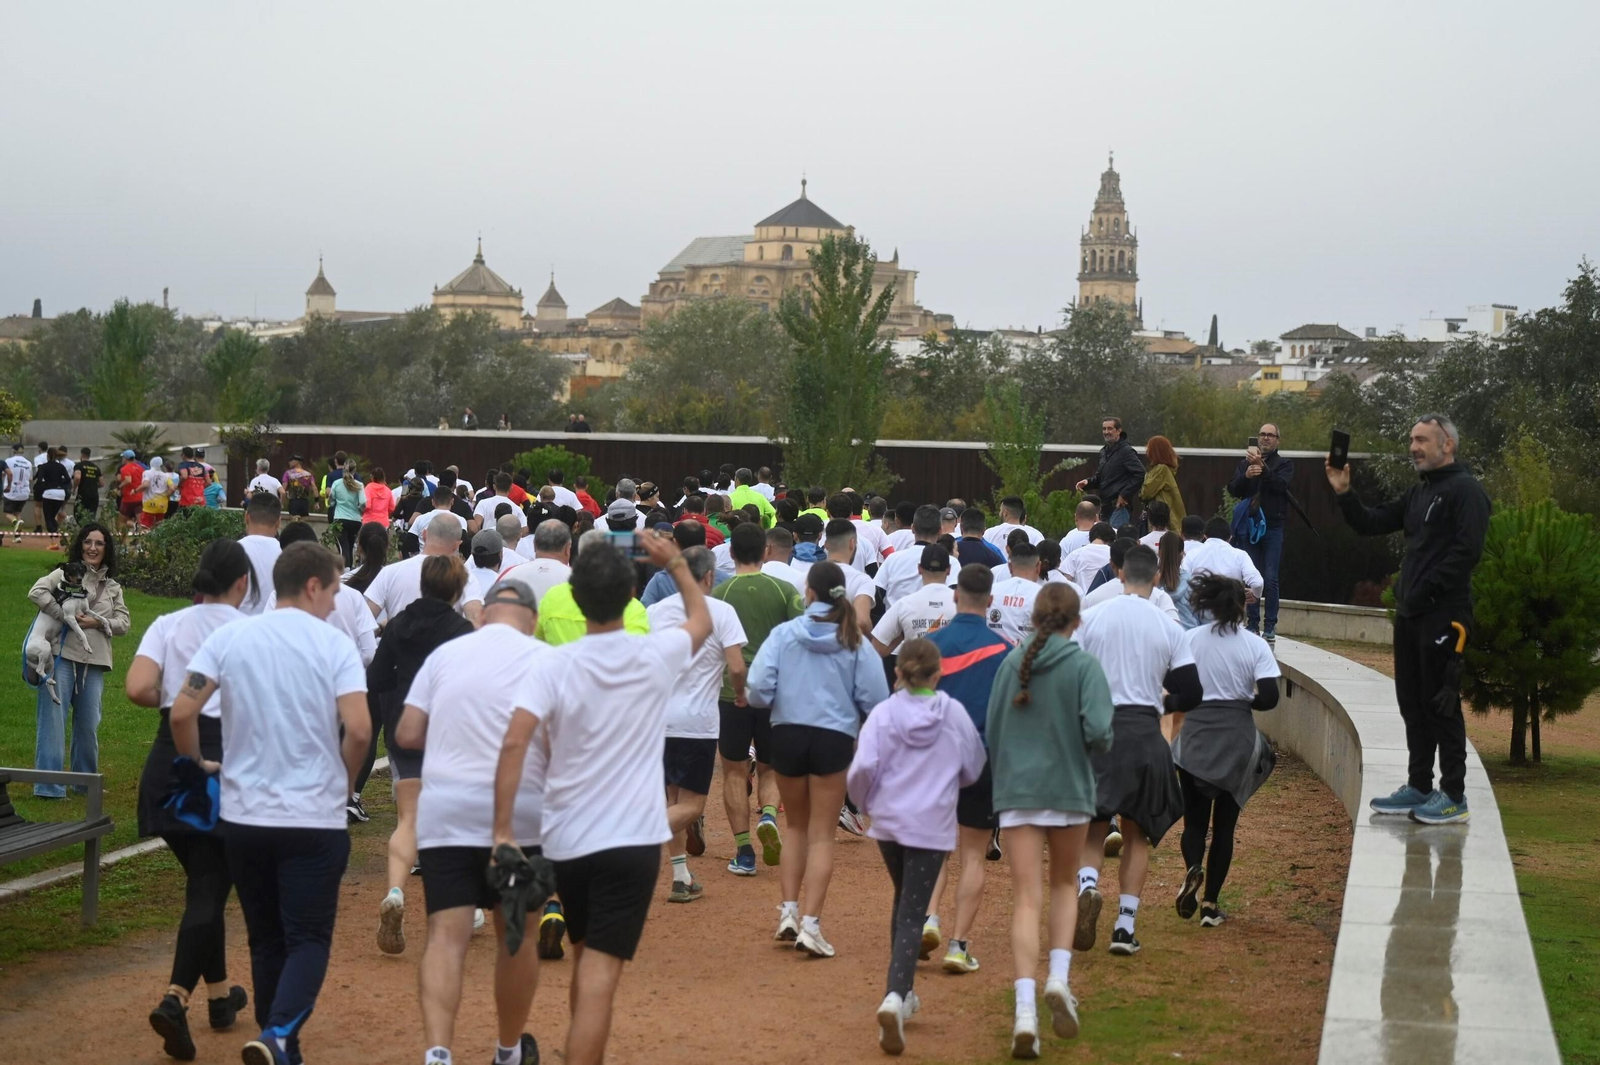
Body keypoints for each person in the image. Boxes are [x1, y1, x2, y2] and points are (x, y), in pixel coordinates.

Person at [492, 529, 707, 1065]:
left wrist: (501, 831)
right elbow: (701, 620)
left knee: (588, 964)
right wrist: (676, 564)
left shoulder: (551, 665)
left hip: (566, 839)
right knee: (598, 977)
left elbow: (514, 740)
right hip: (632, 840)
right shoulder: (653, 654)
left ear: (575, 599)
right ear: (631, 593)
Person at [169, 541, 371, 1065]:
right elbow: (361, 728)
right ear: (311, 586)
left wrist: (198, 765)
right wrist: (345, 785)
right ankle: (280, 1033)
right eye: (333, 589)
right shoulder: (333, 644)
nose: (335, 601)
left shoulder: (229, 636)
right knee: (307, 939)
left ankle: (280, 1044)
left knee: (265, 940)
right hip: (312, 818)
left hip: (244, 817)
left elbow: (182, 713)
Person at [393, 578, 547, 1065]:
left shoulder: (446, 656)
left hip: (448, 811)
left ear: (483, 616)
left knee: (445, 937)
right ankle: (506, 1051)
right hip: (522, 815)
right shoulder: (549, 662)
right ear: (533, 622)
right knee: (516, 935)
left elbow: (407, 732)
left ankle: (438, 1053)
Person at [1328, 413, 1490, 825]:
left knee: (1442, 705)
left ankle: (1453, 795)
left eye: (1422, 440)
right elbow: (1371, 522)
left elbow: (1467, 552)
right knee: (1413, 706)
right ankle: (1419, 785)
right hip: (1412, 617)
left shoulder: (1465, 491)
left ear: (1446, 445)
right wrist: (1344, 493)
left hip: (1445, 616)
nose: (1414, 447)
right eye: (1412, 440)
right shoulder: (1420, 493)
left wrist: (1427, 589)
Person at [128, 541, 254, 1060]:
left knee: (206, 883)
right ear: (242, 584)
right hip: (221, 760)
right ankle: (176, 999)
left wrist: (173, 692)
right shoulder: (251, 631)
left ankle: (221, 999)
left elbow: (137, 688)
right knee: (209, 886)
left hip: (167, 760)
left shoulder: (168, 623)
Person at [984, 582, 1112, 1054]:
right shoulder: (1083, 666)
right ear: (1075, 621)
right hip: (1070, 791)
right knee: (1063, 887)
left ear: (1036, 619)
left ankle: (1024, 1009)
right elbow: (1100, 732)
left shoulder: (1012, 663)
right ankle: (1058, 979)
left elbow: (992, 731)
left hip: (1018, 793)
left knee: (1026, 899)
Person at [847, 638, 986, 1055]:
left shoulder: (884, 713)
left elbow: (862, 768)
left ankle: (903, 993)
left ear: (898, 673)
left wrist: (866, 803)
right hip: (930, 826)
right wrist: (947, 785)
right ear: (938, 674)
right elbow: (974, 765)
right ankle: (895, 996)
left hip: (889, 824)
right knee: (912, 910)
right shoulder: (954, 713)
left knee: (905, 903)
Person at [747, 561, 889, 957]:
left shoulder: (784, 634)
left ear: (808, 593)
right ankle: (811, 924)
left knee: (795, 828)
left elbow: (758, 688)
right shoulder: (855, 640)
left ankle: (788, 913)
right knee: (823, 833)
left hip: (788, 733)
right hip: (834, 737)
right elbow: (876, 698)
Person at [1071, 545, 1202, 957]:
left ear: (1120, 575)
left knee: (1093, 826)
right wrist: (1160, 703)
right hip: (1144, 731)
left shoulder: (1091, 618)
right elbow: (1193, 692)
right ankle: (1125, 927)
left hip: (1098, 729)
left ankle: (1089, 887)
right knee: (1136, 833)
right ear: (1158, 578)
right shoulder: (1168, 627)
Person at [368, 554, 476, 958]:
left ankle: (396, 891)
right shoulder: (463, 631)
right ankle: (469, 906)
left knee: (409, 817)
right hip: (450, 731)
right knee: (458, 817)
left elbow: (375, 679)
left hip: (405, 727)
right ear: (457, 590)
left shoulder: (397, 625)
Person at [1170, 574, 1282, 928]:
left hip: (1196, 736)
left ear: (1208, 604)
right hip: (1237, 738)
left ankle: (1192, 868)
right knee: (1224, 828)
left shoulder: (1188, 640)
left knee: (1194, 821)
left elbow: (1173, 684)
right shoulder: (1254, 646)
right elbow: (1269, 698)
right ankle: (1210, 905)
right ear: (1242, 606)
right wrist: (1241, 697)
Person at [920, 564, 1011, 975]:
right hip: (983, 758)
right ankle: (958, 946)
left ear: (955, 597)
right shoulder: (1006, 650)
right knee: (973, 853)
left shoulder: (929, 646)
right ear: (990, 602)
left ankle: (927, 919)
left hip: (935, 758)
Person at [646, 546, 748, 903]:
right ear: (708, 577)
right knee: (692, 806)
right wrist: (740, 694)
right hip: (697, 722)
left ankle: (680, 876)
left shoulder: (654, 611)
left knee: (672, 799)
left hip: (658, 720)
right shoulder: (721, 611)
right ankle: (633, 836)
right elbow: (736, 666)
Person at [710, 522, 804, 876]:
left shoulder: (719, 594)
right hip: (775, 693)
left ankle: (744, 852)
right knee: (771, 766)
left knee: (734, 771)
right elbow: (802, 637)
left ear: (731, 553)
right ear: (765, 551)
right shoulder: (784, 590)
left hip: (729, 692)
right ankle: (768, 814)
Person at [27, 523, 131, 798]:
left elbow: (124, 623)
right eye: (88, 542)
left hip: (94, 662)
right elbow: (36, 593)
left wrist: (96, 623)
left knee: (88, 725)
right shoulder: (63, 572)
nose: (93, 548)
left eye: (99, 543)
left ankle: (84, 783)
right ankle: (49, 786)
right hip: (60, 656)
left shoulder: (112, 587)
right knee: (53, 719)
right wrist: (64, 616)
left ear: (106, 548)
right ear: (80, 545)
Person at [1227, 423, 1292, 642]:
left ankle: (1270, 625)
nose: (1265, 439)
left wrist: (1263, 470)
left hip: (1273, 527)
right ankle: (1252, 623)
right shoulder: (1245, 463)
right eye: (1262, 435)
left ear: (1277, 440)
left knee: (1270, 577)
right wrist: (1246, 475)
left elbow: (1281, 486)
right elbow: (1234, 489)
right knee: (1250, 577)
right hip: (1249, 527)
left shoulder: (1284, 464)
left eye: (1270, 435)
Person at [366, 517, 477, 627]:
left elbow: (365, 619)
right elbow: (475, 620)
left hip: (399, 640)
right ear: (457, 544)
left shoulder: (390, 572)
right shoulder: (464, 576)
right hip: (445, 641)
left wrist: (383, 627)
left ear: (424, 535)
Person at [870, 545, 956, 658]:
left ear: (919, 569)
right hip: (953, 671)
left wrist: (902, 634)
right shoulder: (962, 605)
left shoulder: (904, 604)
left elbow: (877, 648)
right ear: (949, 570)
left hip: (915, 670)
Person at [1080, 538, 1181, 621]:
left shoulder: (1091, 598)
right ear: (1156, 579)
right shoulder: (1161, 598)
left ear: (1122, 575)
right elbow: (1175, 632)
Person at [1076, 416, 1146, 526]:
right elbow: (1100, 477)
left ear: (1119, 431)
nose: (1106, 432)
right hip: (1105, 508)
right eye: (1104, 429)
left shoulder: (1126, 451)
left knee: (1115, 541)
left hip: (1119, 508)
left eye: (1110, 428)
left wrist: (1124, 494)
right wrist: (1088, 482)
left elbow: (1140, 473)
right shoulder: (1104, 452)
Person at [874, 504, 944, 606]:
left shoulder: (892, 559)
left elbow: (878, 593)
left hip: (896, 618)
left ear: (913, 528)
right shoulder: (949, 561)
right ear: (940, 531)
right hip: (934, 620)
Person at [1187, 518, 1265, 605]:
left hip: (1199, 610)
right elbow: (1257, 583)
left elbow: (1181, 580)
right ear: (1230, 538)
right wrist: (1255, 595)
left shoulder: (1192, 554)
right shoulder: (1240, 555)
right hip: (1230, 611)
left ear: (1205, 536)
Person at [987, 540, 1043, 644]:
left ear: (1009, 566)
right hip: (1028, 657)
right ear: (1038, 567)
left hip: (992, 656)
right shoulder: (1044, 596)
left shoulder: (990, 592)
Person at [239, 494, 284, 617]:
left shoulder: (233, 552)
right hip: (273, 629)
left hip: (237, 628)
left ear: (247, 518)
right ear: (278, 522)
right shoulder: (286, 556)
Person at [1139, 435, 1186, 527]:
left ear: (1156, 451)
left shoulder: (1161, 469)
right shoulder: (1165, 469)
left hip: (1161, 519)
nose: (1147, 451)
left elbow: (1146, 492)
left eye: (1149, 448)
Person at [329, 467, 367, 568]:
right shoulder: (359, 485)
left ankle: (345, 570)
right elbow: (363, 502)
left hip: (340, 518)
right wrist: (360, 510)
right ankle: (349, 568)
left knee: (343, 547)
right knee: (350, 546)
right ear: (354, 471)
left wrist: (333, 503)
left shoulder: (337, 483)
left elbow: (331, 499)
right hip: (355, 520)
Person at [1063, 522, 1114, 590]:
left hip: (1082, 598)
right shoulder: (1113, 554)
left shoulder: (1076, 554)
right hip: (1107, 598)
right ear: (1110, 540)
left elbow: (1065, 580)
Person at [33, 447, 72, 533]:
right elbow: (68, 479)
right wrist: (59, 483)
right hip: (60, 493)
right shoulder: (61, 466)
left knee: (48, 518)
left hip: (49, 493)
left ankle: (54, 535)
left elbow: (39, 481)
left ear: (47, 456)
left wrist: (46, 484)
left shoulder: (43, 467)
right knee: (53, 516)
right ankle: (58, 531)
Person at [3, 442, 33, 540]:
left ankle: (16, 522)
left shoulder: (9, 461)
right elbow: (30, 478)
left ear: (13, 450)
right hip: (24, 491)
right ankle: (17, 536)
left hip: (11, 491)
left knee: (8, 513)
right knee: (18, 513)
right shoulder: (28, 463)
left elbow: (5, 474)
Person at [141, 455, 178, 529]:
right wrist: (167, 496)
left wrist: (135, 491)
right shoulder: (166, 476)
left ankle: (146, 539)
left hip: (150, 503)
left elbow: (145, 485)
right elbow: (173, 488)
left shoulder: (148, 473)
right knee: (159, 525)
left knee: (145, 526)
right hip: (164, 503)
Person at [116, 448, 145, 531]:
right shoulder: (140, 468)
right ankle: (141, 540)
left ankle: (123, 541)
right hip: (140, 497)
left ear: (125, 458)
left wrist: (119, 487)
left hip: (128, 498)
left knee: (121, 521)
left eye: (123, 458)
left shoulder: (124, 468)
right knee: (140, 521)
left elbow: (128, 480)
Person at [72, 447, 102, 524]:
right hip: (94, 495)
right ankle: (90, 530)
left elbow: (77, 477)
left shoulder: (79, 466)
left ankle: (83, 529)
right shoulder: (96, 468)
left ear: (81, 455)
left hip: (83, 494)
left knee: (78, 513)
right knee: (91, 515)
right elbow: (102, 483)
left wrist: (74, 488)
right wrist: (92, 484)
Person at [173, 447, 207, 513]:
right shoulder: (201, 467)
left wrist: (179, 485)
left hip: (187, 500)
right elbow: (208, 482)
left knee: (184, 520)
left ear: (183, 455)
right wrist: (201, 488)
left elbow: (184, 476)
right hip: (200, 500)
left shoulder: (183, 465)